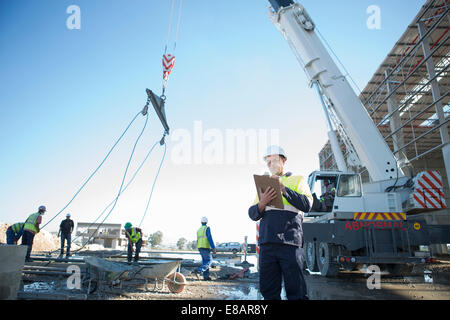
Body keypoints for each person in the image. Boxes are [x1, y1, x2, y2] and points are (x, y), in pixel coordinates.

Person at [248, 145, 312, 300]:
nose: (270, 164)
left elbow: (307, 205)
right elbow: (252, 213)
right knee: (269, 291)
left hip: (290, 243)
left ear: (283, 160)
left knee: (296, 291)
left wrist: (283, 189)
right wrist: (262, 202)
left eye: (274, 160)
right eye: (268, 162)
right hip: (267, 243)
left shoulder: (298, 180)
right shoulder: (263, 185)